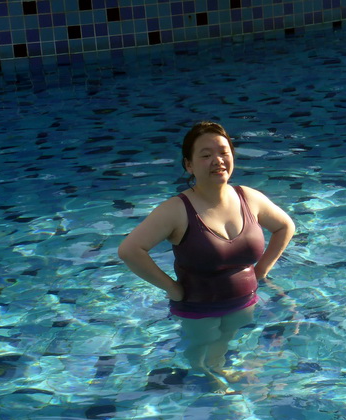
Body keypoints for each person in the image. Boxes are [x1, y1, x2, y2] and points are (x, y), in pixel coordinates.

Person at [118, 121, 295, 388]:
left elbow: (285, 226)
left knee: (224, 346)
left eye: (224, 152)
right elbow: (130, 250)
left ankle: (220, 372)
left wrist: (262, 271)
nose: (218, 160)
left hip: (245, 302)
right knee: (200, 357)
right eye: (205, 155)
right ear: (189, 165)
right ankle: (209, 382)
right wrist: (172, 289)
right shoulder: (177, 210)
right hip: (198, 309)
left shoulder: (249, 198)